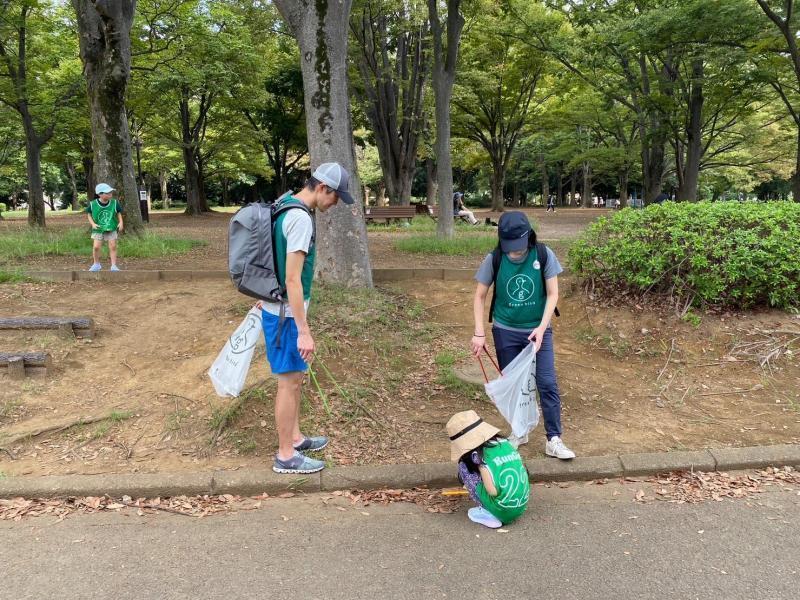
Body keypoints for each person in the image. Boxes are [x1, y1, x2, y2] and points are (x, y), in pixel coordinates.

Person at [264, 162, 354, 475]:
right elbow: (292, 279)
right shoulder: (300, 218)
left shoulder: (284, 205)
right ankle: (286, 455)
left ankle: (296, 438)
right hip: (287, 316)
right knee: (289, 383)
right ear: (322, 188)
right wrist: (303, 331)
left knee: (295, 379)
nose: (336, 203)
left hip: (279, 310)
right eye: (336, 196)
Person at [470, 211, 576, 460]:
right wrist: (479, 332)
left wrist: (541, 327)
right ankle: (520, 431)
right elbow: (479, 296)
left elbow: (552, 294)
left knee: (547, 383)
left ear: (528, 237)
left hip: (538, 331)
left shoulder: (543, 254)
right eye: (509, 248)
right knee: (515, 385)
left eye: (518, 247)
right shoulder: (495, 258)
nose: (514, 253)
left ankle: (554, 439)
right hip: (505, 330)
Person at [447, 410, 530, 528]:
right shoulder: (506, 444)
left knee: (463, 467)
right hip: (520, 506)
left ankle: (488, 512)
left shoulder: (478, 457)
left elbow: (492, 491)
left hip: (502, 509)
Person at [86, 183, 124, 272]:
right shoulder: (93, 204)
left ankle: (113, 266)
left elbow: (118, 213)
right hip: (98, 228)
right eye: (107, 193)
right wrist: (92, 224)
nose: (110, 194)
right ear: (100, 194)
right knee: (96, 247)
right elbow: (89, 214)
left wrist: (121, 222)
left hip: (111, 227)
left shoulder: (114, 203)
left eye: (111, 192)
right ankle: (96, 264)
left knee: (113, 246)